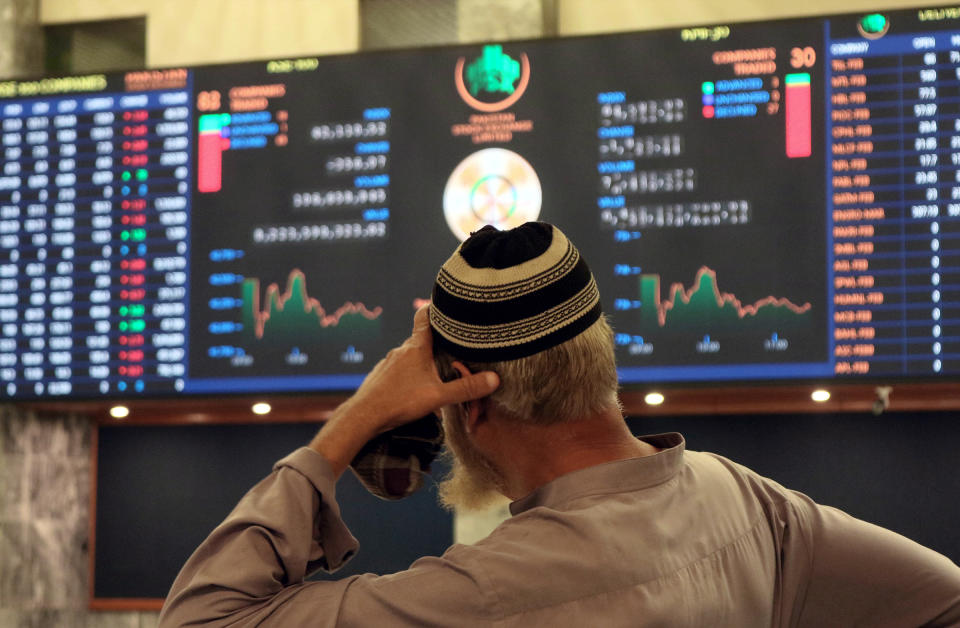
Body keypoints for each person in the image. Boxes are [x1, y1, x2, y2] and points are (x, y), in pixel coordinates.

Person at [159, 222, 960, 627]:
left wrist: (352, 424)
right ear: (600, 358)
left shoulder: (482, 593)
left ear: (467, 403)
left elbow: (204, 617)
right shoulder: (748, 504)